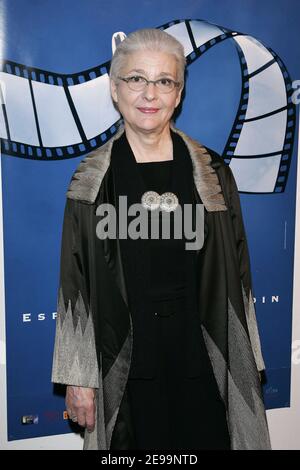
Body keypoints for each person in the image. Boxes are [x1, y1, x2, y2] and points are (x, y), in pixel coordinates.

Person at [51, 28, 271, 450]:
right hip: (126, 363)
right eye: (136, 79)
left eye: (164, 81)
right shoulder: (91, 180)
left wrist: (248, 358)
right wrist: (78, 378)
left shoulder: (213, 173)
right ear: (115, 90)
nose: (149, 93)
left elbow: (239, 272)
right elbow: (74, 283)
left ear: (178, 93)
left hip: (204, 357)